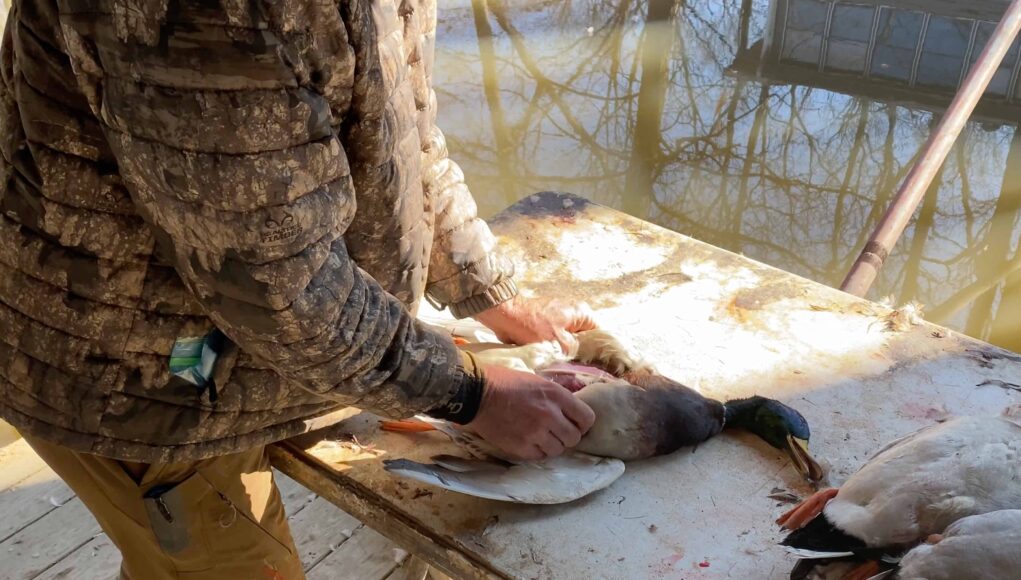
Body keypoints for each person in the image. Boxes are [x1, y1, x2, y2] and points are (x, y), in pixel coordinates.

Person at [0, 1, 596, 578]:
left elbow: (405, 138)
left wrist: (490, 293)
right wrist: (468, 393)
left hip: (266, 344)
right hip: (146, 379)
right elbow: (272, 275)